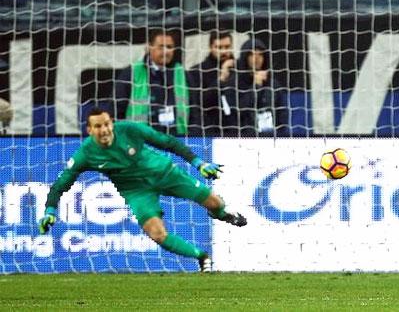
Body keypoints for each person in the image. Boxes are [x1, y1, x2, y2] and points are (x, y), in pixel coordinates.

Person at [37, 108, 247, 272]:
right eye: (98, 126)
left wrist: (198, 162)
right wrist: (50, 210)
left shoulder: (130, 129)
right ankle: (202, 257)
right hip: (137, 191)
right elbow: (61, 183)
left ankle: (221, 213)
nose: (104, 130)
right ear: (89, 130)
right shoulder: (86, 154)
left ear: (112, 123)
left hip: (165, 173)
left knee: (215, 203)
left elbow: (167, 142)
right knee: (157, 234)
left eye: (107, 124)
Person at [115, 29, 191, 135]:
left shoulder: (182, 74)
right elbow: (116, 109)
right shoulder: (132, 72)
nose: (166, 51)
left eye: (169, 47)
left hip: (176, 138)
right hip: (141, 139)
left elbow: (194, 110)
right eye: (161, 46)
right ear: (149, 47)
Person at [188, 31, 240, 136]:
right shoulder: (197, 71)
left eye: (227, 47)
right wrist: (220, 80)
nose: (224, 51)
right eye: (219, 47)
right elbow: (199, 102)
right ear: (211, 47)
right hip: (210, 131)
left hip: (238, 130)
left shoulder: (241, 69)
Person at [236, 37, 288, 136]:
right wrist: (256, 86)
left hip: (272, 136)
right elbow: (239, 111)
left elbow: (282, 113)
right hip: (244, 137)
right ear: (245, 57)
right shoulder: (235, 83)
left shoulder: (273, 84)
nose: (256, 58)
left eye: (260, 55)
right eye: (252, 54)